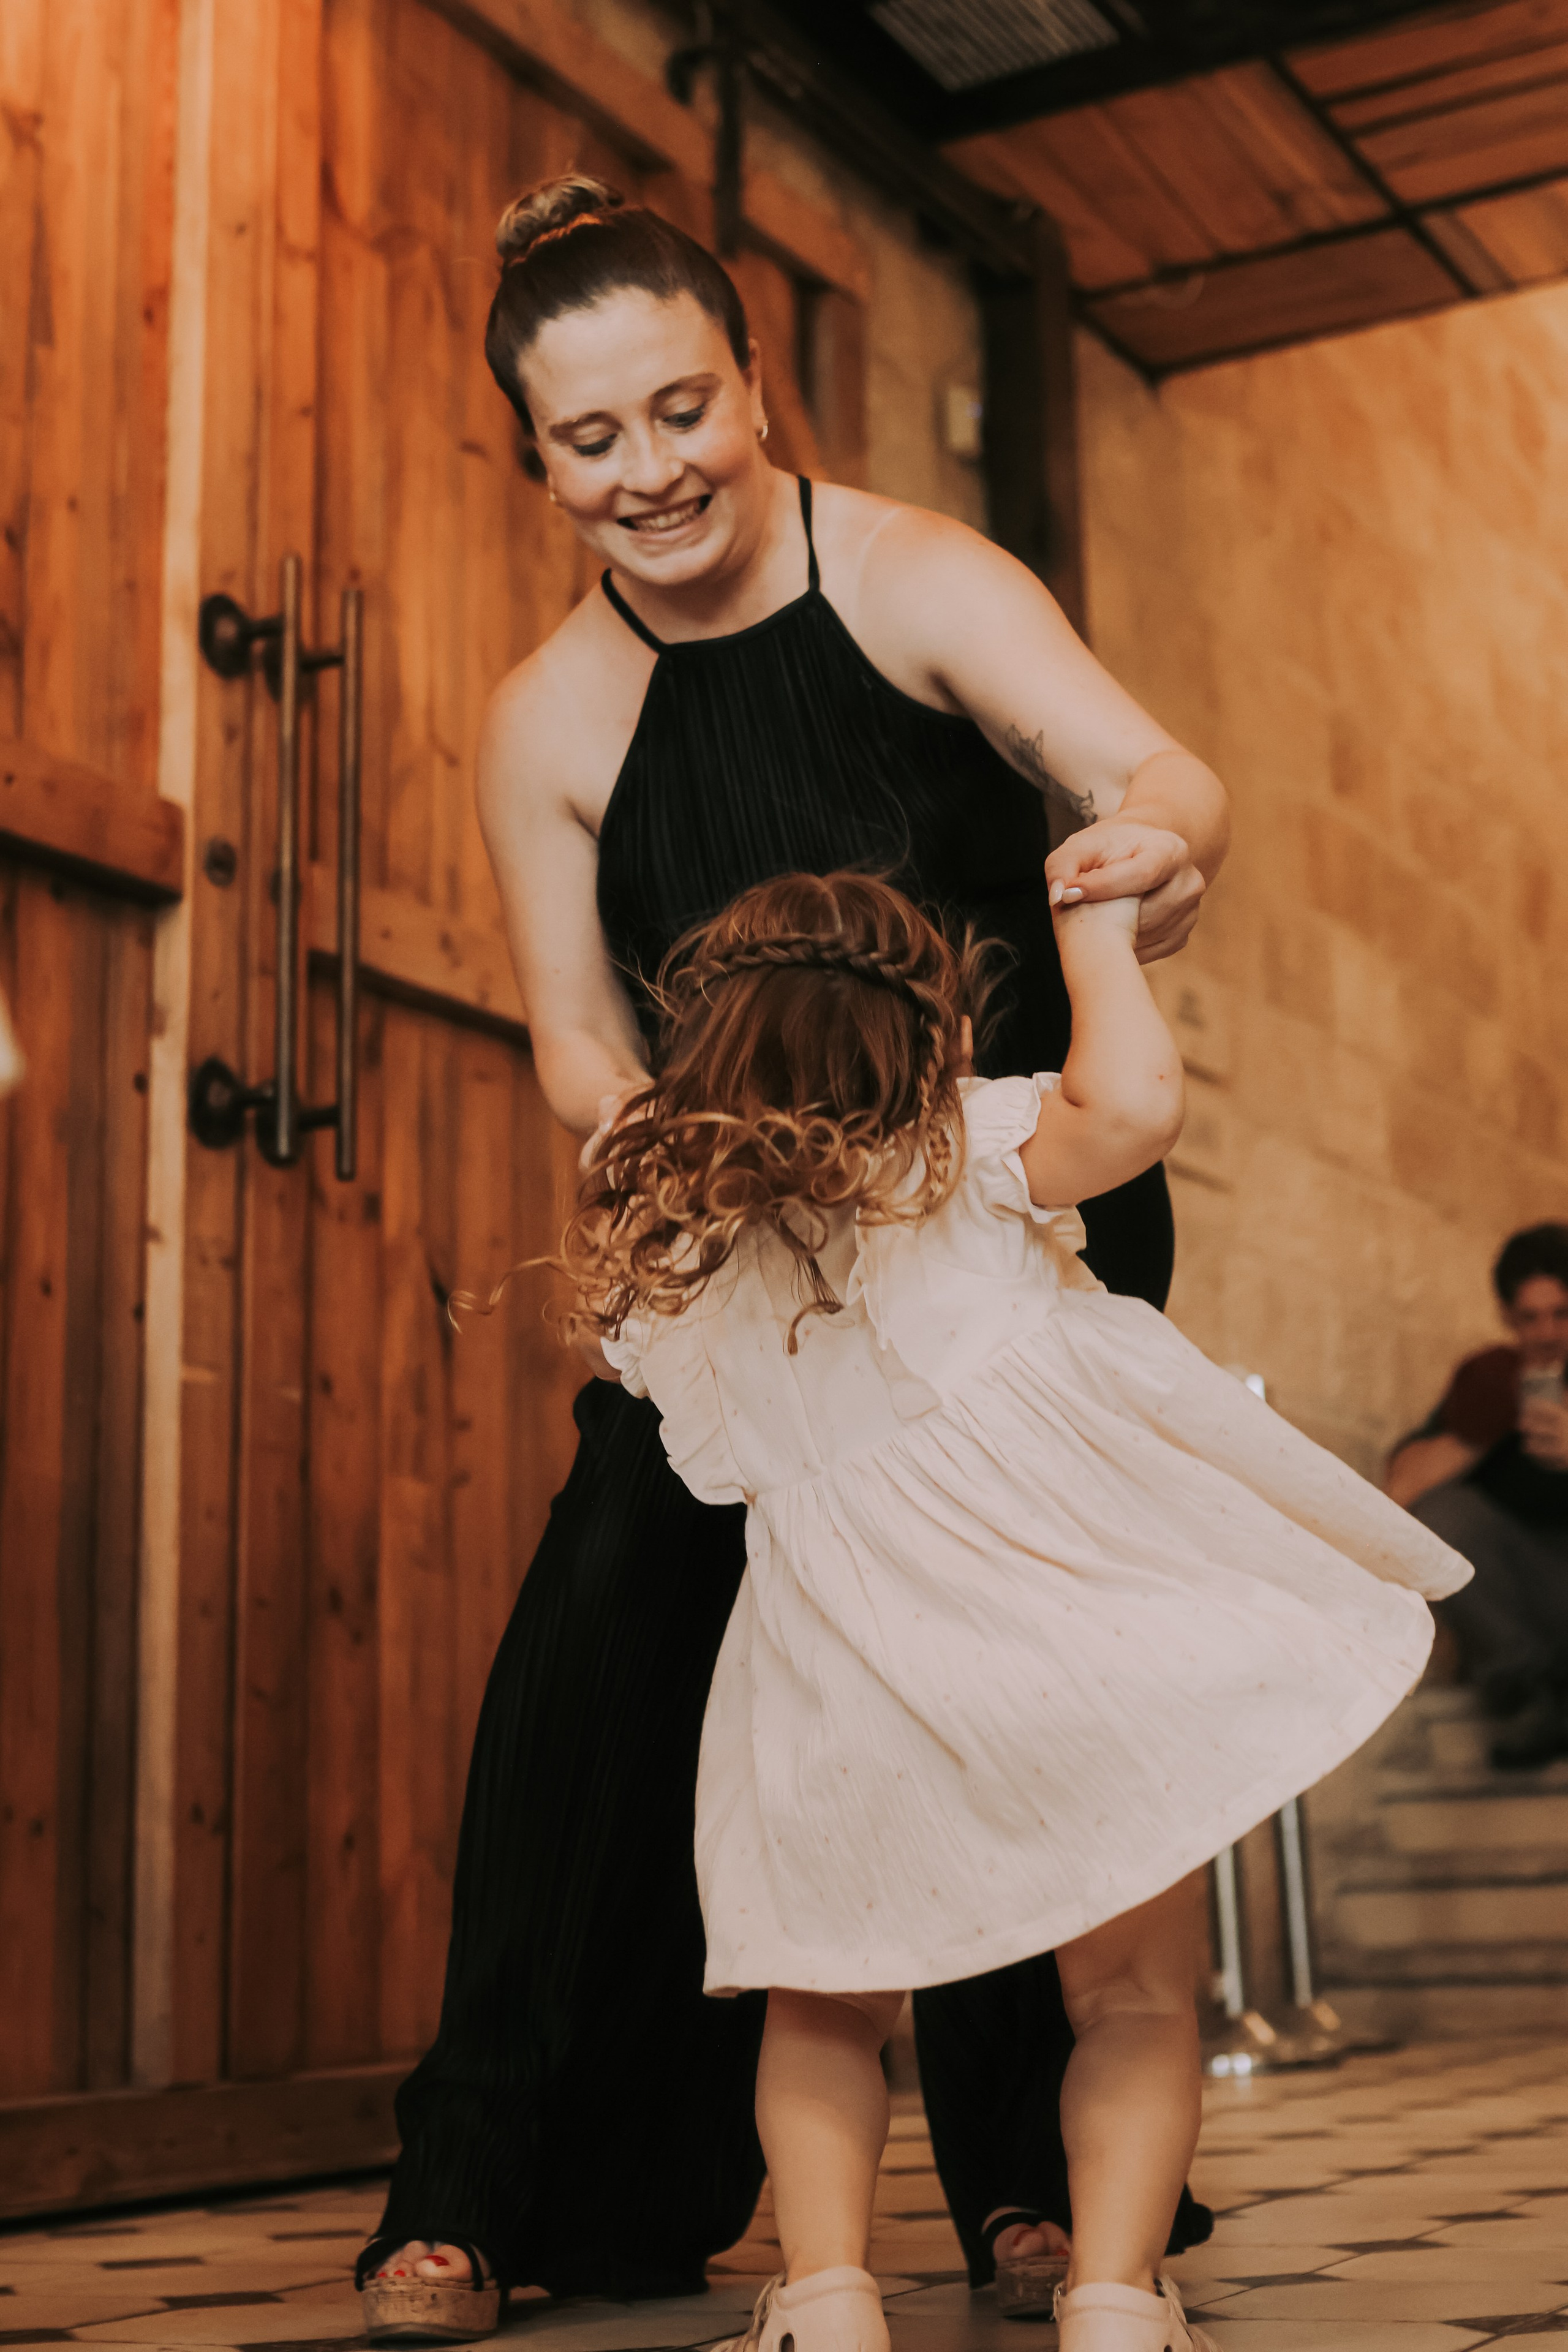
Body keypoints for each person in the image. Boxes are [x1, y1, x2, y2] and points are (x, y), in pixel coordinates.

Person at [358, 173, 1231, 2343]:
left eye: (682, 407)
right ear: (536, 456)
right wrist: (682, 1148)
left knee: (1014, 1686)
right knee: (601, 1657)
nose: (649, 469)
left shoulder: (916, 577)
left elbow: (1144, 763)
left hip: (1006, 1239)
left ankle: (1033, 2195)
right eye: (592, 438)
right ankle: (494, 2188)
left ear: (760, 384)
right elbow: (574, 1032)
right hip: (738, 1267)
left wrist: (1155, 837)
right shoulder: (547, 715)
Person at [562, 869, 1468, 2352]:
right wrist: (1095, 938)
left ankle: (830, 2295)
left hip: (833, 1675)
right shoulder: (963, 1145)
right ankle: (1112, 2294)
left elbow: (704, 1457)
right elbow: (1134, 1105)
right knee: (1128, 1999)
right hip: (1075, 1649)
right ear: (935, 1034)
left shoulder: (682, 1252)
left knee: (826, 2008)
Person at [1388, 1224, 1568, 1770]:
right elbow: (1400, 1494)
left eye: (1561, 1314)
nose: (1546, 1333)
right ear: (1509, 1320)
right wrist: (1482, 1425)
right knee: (1442, 1516)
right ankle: (1528, 1690)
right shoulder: (1492, 1382)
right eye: (1529, 1317)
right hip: (1527, 1605)